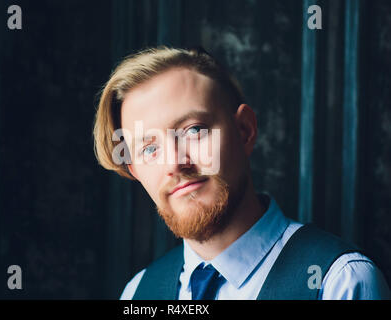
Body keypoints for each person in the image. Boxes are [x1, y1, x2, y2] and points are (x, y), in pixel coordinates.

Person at [93, 46, 390, 300]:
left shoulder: (339, 283)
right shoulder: (137, 293)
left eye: (193, 131)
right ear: (134, 170)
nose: (174, 164)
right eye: (149, 149)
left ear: (245, 130)